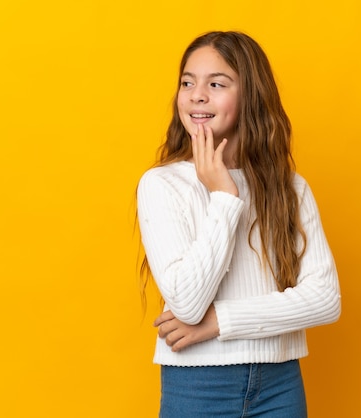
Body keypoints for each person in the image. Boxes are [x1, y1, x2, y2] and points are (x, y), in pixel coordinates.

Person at [136, 31, 341, 417]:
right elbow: (186, 303)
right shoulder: (162, 184)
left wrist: (220, 321)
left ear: (251, 96)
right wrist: (225, 197)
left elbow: (325, 299)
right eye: (187, 82)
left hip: (280, 384)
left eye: (216, 83)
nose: (197, 94)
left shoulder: (290, 187)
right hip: (198, 386)